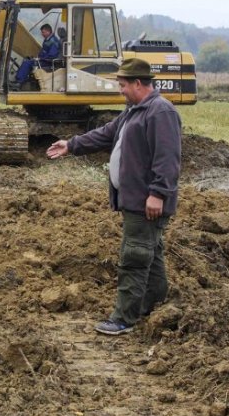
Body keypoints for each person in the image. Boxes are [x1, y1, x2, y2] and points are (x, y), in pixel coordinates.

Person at [46, 58, 182, 336]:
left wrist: (158, 194)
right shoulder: (134, 111)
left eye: (122, 85)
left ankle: (124, 319)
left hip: (147, 201)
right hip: (134, 199)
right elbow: (107, 135)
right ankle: (156, 304)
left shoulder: (160, 112)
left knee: (134, 255)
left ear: (138, 83)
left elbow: (168, 160)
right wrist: (71, 145)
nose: (119, 90)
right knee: (150, 252)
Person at [14, 23, 61, 88]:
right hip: (43, 60)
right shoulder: (48, 40)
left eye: (43, 32)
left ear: (48, 31)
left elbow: (52, 55)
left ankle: (19, 82)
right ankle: (21, 79)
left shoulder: (53, 42)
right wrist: (37, 57)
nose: (42, 34)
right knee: (27, 60)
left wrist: (40, 59)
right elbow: (43, 52)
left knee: (27, 63)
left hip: (48, 62)